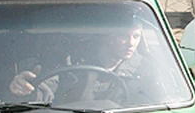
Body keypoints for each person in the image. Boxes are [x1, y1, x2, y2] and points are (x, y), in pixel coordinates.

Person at [9, 20, 150, 105]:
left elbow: (156, 104)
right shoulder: (71, 61)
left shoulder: (144, 68)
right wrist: (24, 89)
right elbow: (44, 92)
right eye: (123, 36)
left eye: (136, 36)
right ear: (107, 37)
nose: (131, 43)